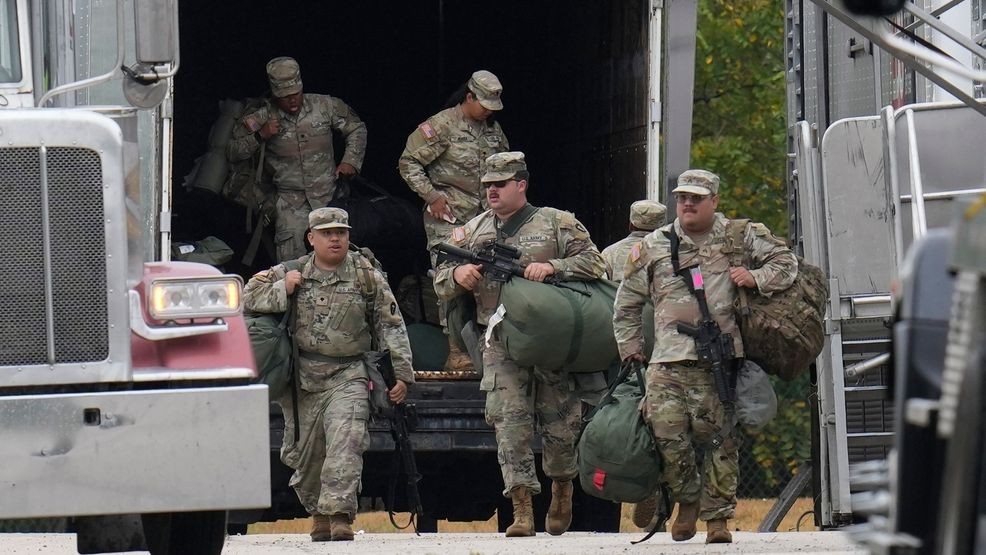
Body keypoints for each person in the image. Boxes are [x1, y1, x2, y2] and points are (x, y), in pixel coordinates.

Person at [612, 169, 797, 544]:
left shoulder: (740, 236)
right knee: (666, 436)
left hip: (721, 359)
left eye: (696, 198)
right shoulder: (654, 245)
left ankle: (718, 521)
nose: (688, 204)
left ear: (714, 201)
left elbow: (786, 264)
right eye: (682, 198)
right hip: (667, 359)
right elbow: (626, 303)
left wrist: (755, 277)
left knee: (721, 441)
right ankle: (688, 497)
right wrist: (630, 348)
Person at [433, 151, 605, 537]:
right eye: (487, 185)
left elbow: (596, 263)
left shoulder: (557, 222)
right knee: (509, 423)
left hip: (550, 341)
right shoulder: (473, 230)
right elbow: (440, 278)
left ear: (521, 184)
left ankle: (562, 486)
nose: (492, 191)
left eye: (500, 184)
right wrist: (458, 275)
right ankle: (522, 507)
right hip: (499, 340)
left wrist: (554, 267)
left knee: (561, 426)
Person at [243, 207, 414, 542]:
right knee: (306, 454)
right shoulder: (292, 270)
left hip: (349, 373)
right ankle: (318, 513)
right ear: (311, 238)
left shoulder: (366, 275)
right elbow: (247, 294)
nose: (335, 239)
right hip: (302, 378)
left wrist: (401, 375)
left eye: (341, 233)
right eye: (327, 233)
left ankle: (339, 515)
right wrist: (282, 289)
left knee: (347, 441)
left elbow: (391, 325)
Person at [228, 57, 368, 262]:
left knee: (339, 264)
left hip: (330, 198)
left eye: (296, 94)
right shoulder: (261, 116)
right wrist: (260, 136)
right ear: (275, 95)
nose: (292, 100)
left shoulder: (324, 105)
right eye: (285, 97)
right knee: (292, 270)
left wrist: (351, 161)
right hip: (290, 206)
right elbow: (233, 153)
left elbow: (356, 128)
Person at [398, 70, 510, 255]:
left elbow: (505, 164)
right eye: (484, 106)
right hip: (450, 217)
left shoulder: (492, 128)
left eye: (492, 107)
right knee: (451, 269)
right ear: (470, 97)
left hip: (486, 218)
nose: (489, 111)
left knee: (486, 271)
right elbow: (408, 162)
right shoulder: (442, 124)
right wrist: (432, 197)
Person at [601, 199, 667, 281]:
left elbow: (602, 285)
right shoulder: (674, 252)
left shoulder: (609, 253)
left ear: (631, 225)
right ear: (663, 226)